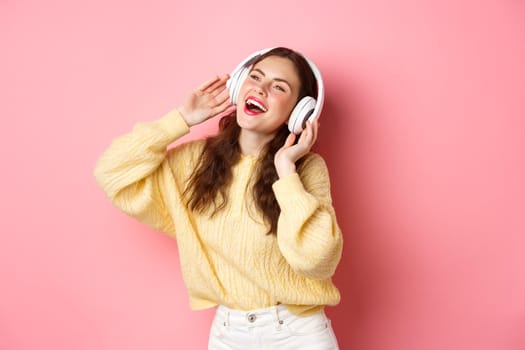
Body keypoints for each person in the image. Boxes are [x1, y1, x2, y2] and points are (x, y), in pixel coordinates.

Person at [94, 47, 343, 349]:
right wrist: (180, 119)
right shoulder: (194, 162)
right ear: (239, 86)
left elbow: (319, 261)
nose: (261, 89)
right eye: (255, 77)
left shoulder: (305, 170)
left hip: (297, 333)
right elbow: (112, 172)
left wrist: (286, 171)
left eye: (278, 87)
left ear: (299, 112)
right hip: (229, 334)